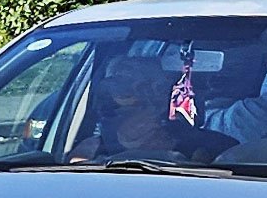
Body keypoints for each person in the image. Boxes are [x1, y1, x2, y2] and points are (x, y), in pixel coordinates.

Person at [67, 56, 237, 163]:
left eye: (152, 88)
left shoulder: (217, 148)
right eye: (122, 86)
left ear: (166, 95)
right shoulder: (91, 150)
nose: (141, 96)